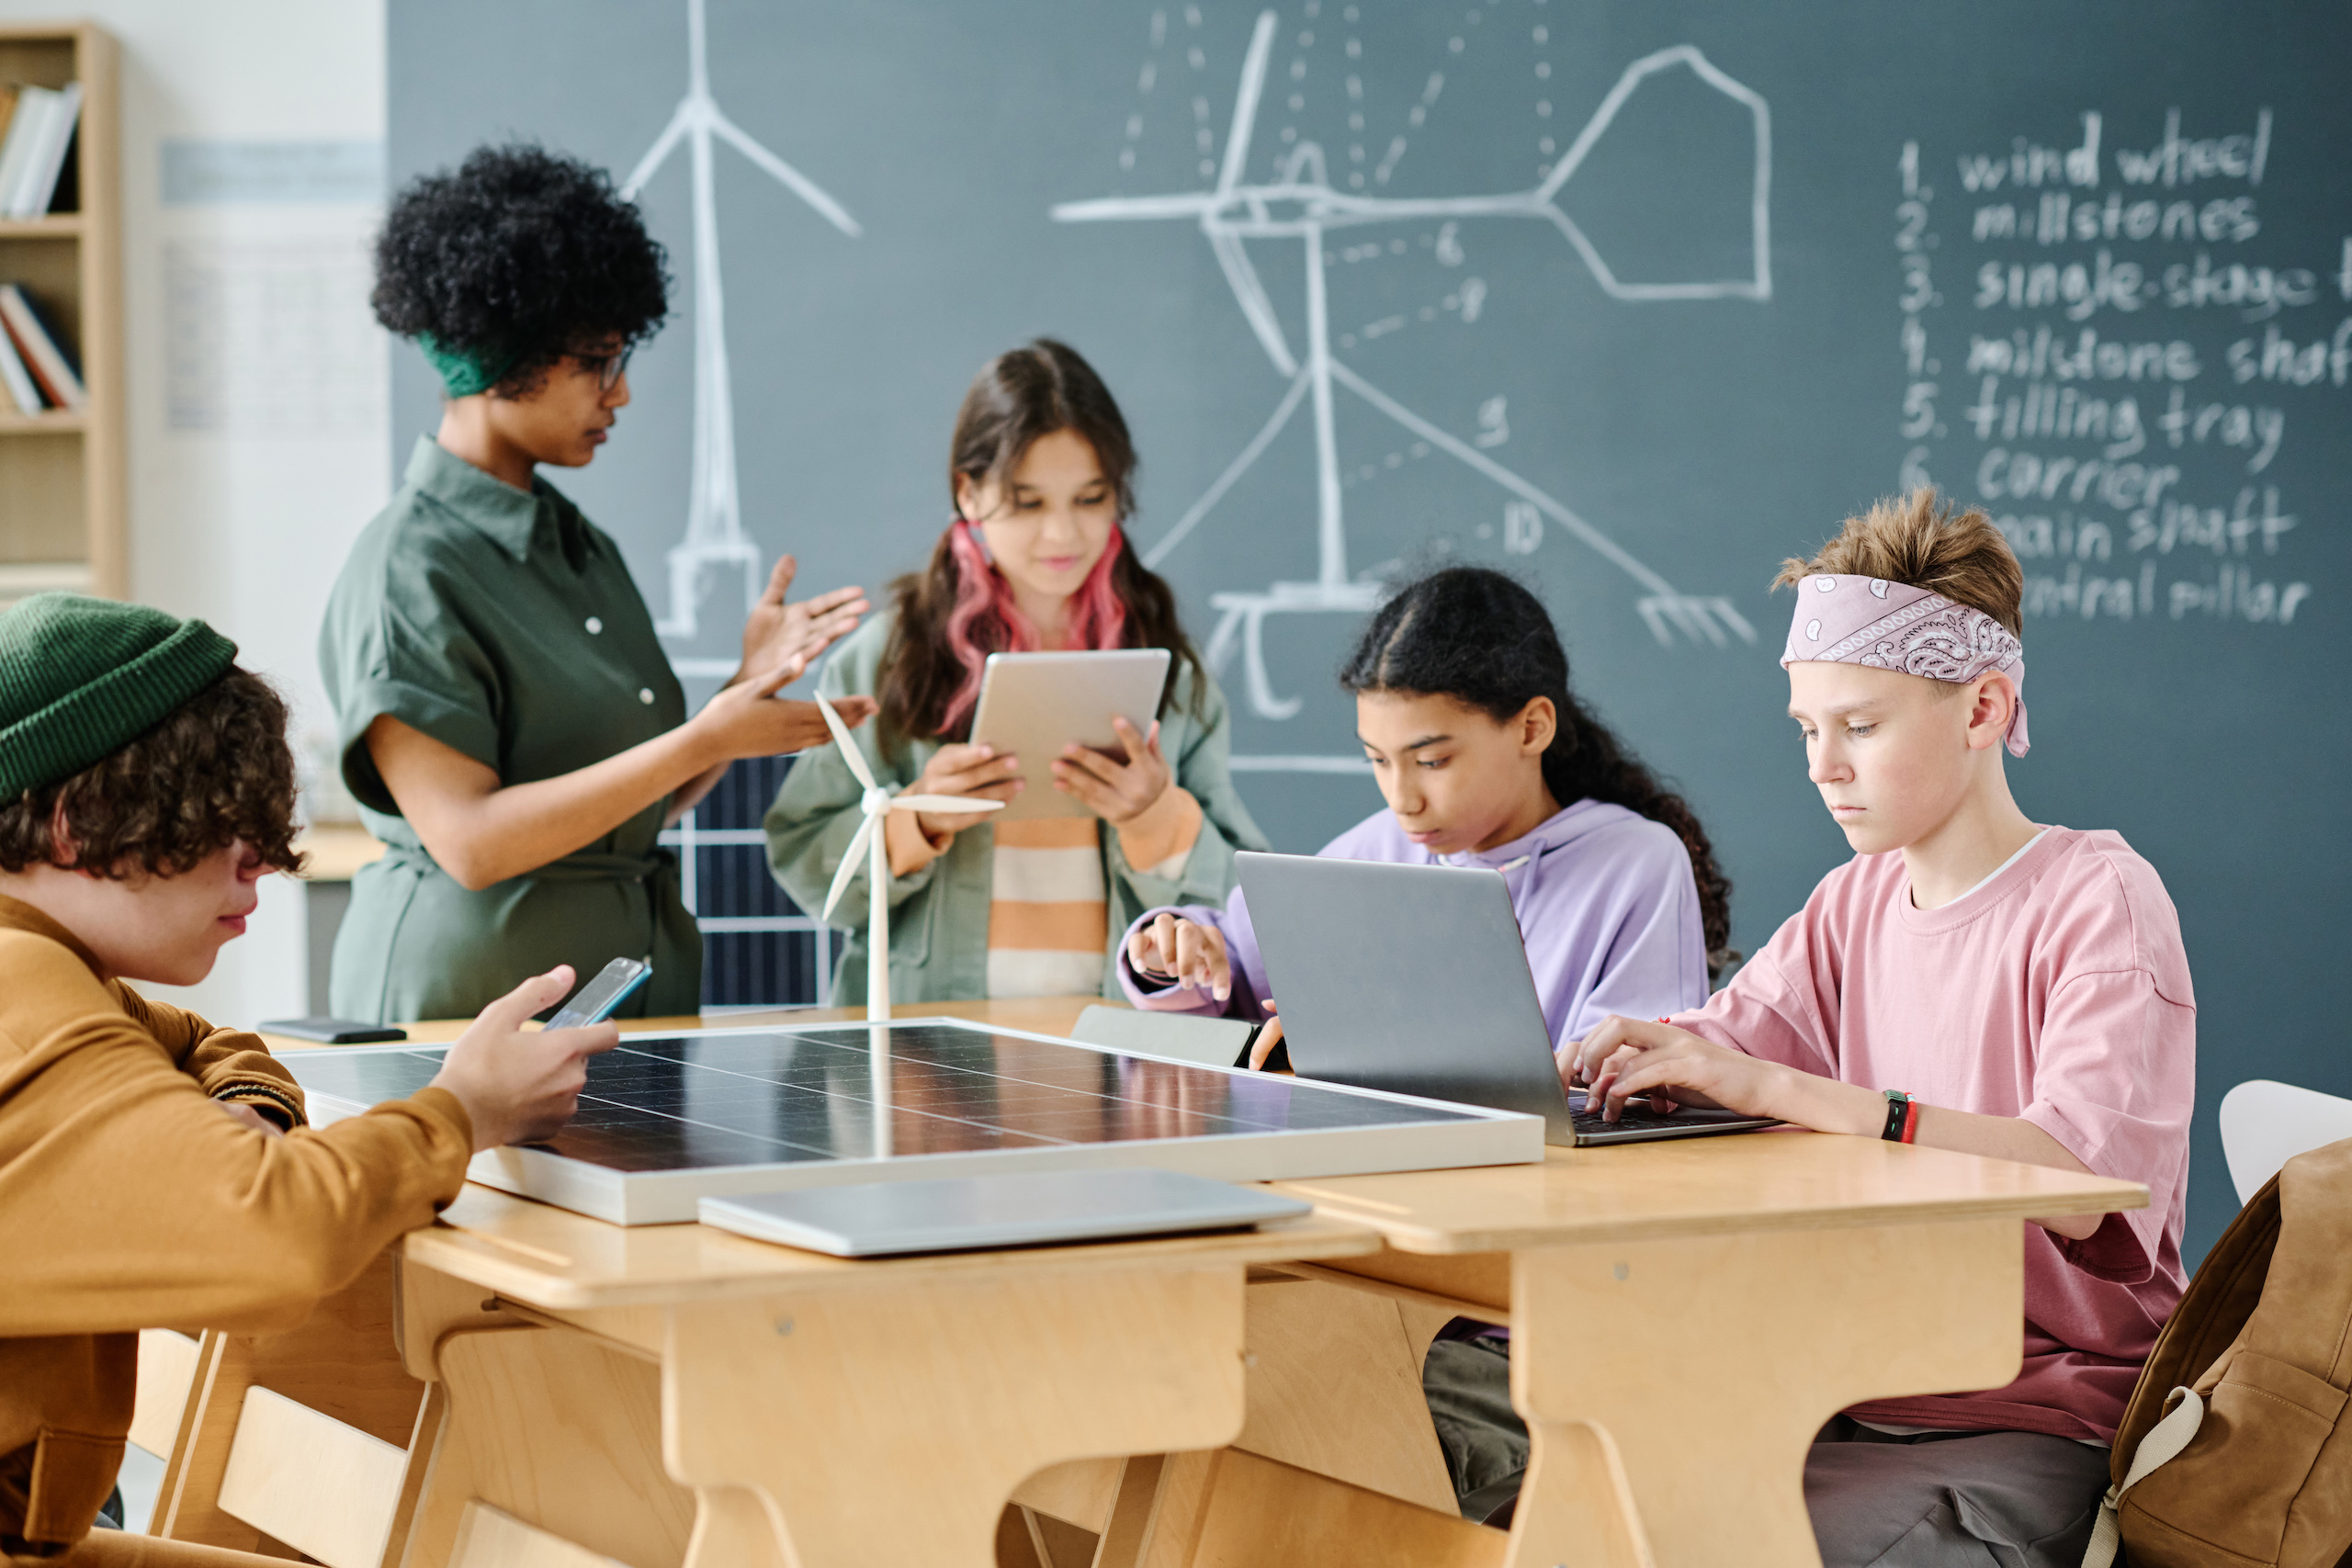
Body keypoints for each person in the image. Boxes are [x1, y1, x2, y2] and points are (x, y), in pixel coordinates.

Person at [1552, 490, 2195, 1565]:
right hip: (1840, 1386)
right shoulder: (1853, 902)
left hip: (2032, 1419)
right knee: (1601, 1521)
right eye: (1808, 729)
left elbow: (2080, 1177)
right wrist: (1595, 1057)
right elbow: (1715, 1048)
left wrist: (1795, 1093)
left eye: (1860, 726)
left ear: (1984, 710)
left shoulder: (2099, 899)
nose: (1822, 766)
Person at [0, 594, 616, 1562]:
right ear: (76, 827)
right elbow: (276, 1238)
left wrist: (244, 1113)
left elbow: (205, 1042)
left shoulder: (50, 978)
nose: (262, 873)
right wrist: (462, 1110)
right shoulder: (27, 1001)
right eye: (225, 833)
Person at [322, 142, 871, 1024]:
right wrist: (705, 741)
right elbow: (469, 842)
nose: (618, 394)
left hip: (619, 1002)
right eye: (596, 363)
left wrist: (737, 696)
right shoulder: (407, 569)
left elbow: (636, 792)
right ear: (507, 354)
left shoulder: (580, 546)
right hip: (470, 1016)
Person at [766, 339, 1265, 1004]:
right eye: (1028, 503)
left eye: (1091, 498)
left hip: (1122, 1052)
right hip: (931, 1052)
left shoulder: (1168, 665)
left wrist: (1156, 817)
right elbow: (803, 855)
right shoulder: (890, 655)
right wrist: (918, 819)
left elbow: (1241, 908)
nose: (1062, 534)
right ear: (969, 492)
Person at [1120, 565, 1729, 1068]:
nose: (1402, 797)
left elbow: (1635, 1082)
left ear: (1532, 726)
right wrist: (1177, 952)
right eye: (1377, 760)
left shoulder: (1635, 864)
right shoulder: (1373, 851)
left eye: (1432, 759)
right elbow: (1230, 966)